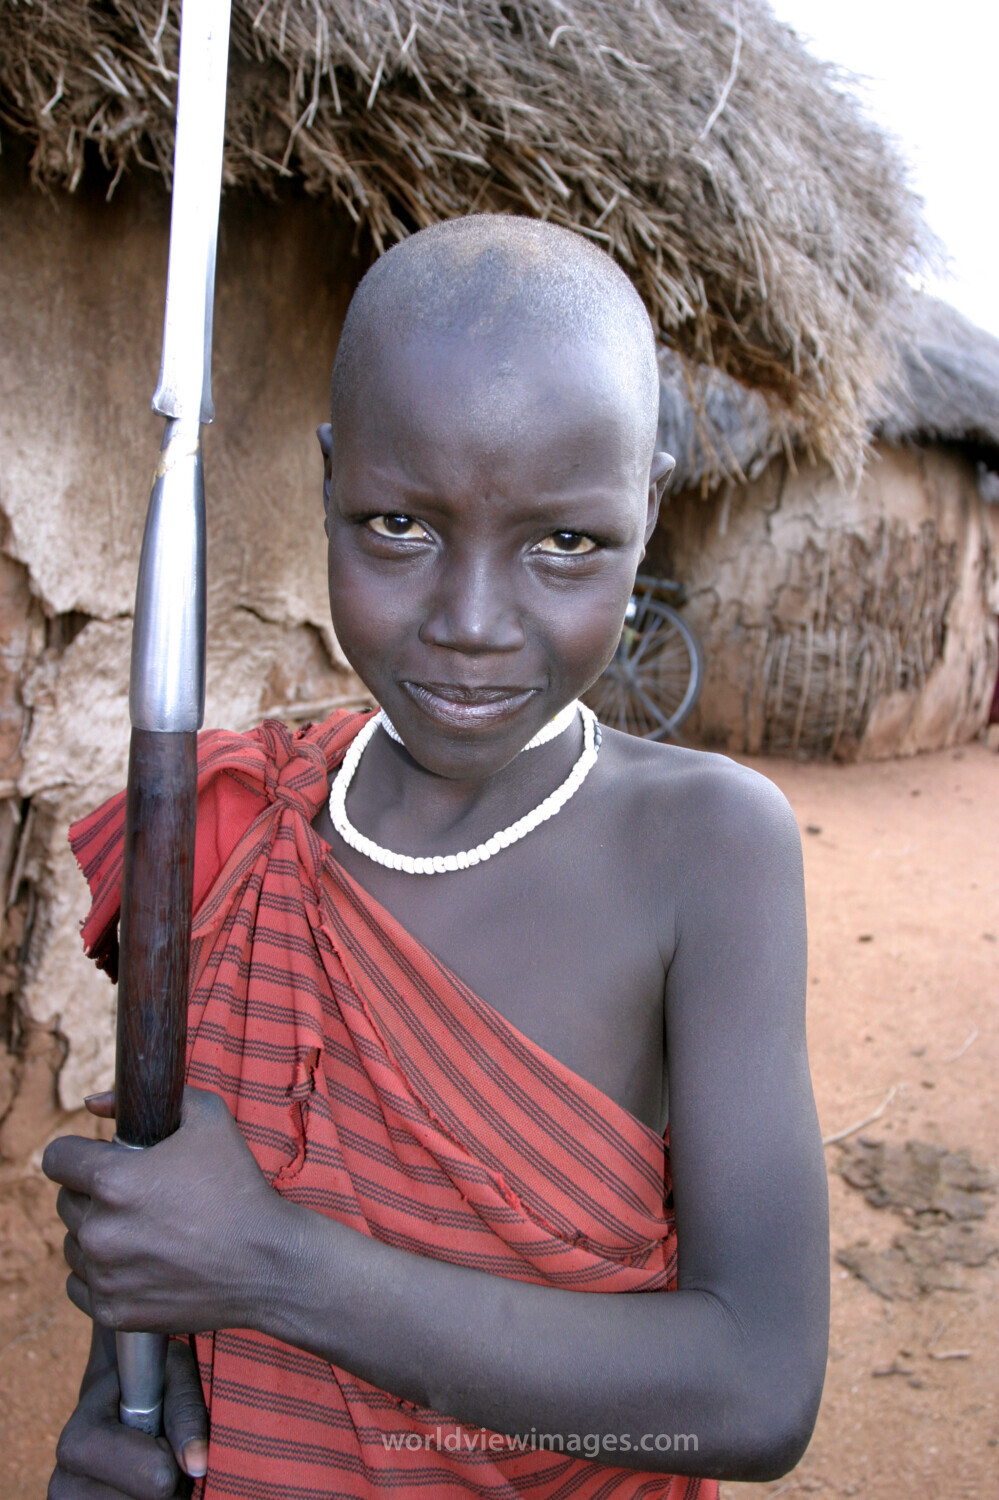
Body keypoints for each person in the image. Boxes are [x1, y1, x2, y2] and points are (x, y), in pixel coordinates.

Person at [43, 215, 829, 1500]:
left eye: (564, 543)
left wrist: (277, 1269)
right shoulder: (231, 829)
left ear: (649, 506)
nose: (471, 625)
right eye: (399, 526)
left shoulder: (707, 852)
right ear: (330, 479)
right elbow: (162, 1255)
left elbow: (754, 1394)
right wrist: (116, 1421)